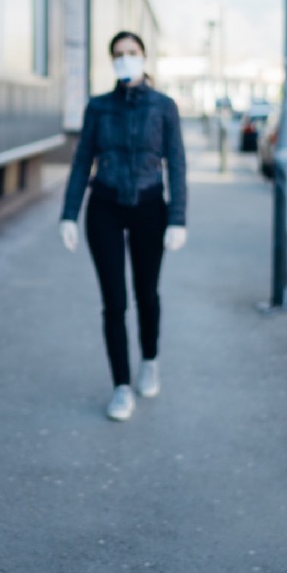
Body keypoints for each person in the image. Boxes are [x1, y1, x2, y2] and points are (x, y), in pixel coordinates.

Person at [59, 31, 187, 422]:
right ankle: (121, 387)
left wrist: (178, 218)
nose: (126, 60)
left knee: (147, 294)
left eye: (132, 53)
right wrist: (69, 213)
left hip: (150, 205)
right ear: (112, 61)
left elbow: (177, 164)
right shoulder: (98, 107)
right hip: (106, 208)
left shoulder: (164, 107)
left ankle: (149, 359)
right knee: (115, 302)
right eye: (119, 54)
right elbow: (83, 162)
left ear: (144, 58)